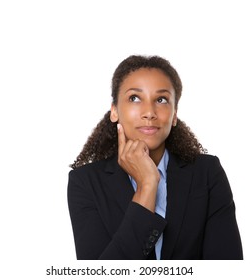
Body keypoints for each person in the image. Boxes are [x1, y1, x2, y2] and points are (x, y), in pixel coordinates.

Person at [67, 55, 243, 260]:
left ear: (174, 114)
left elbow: (226, 269)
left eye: (161, 100)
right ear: (114, 111)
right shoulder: (85, 182)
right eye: (134, 98)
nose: (149, 112)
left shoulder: (207, 173)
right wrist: (147, 186)